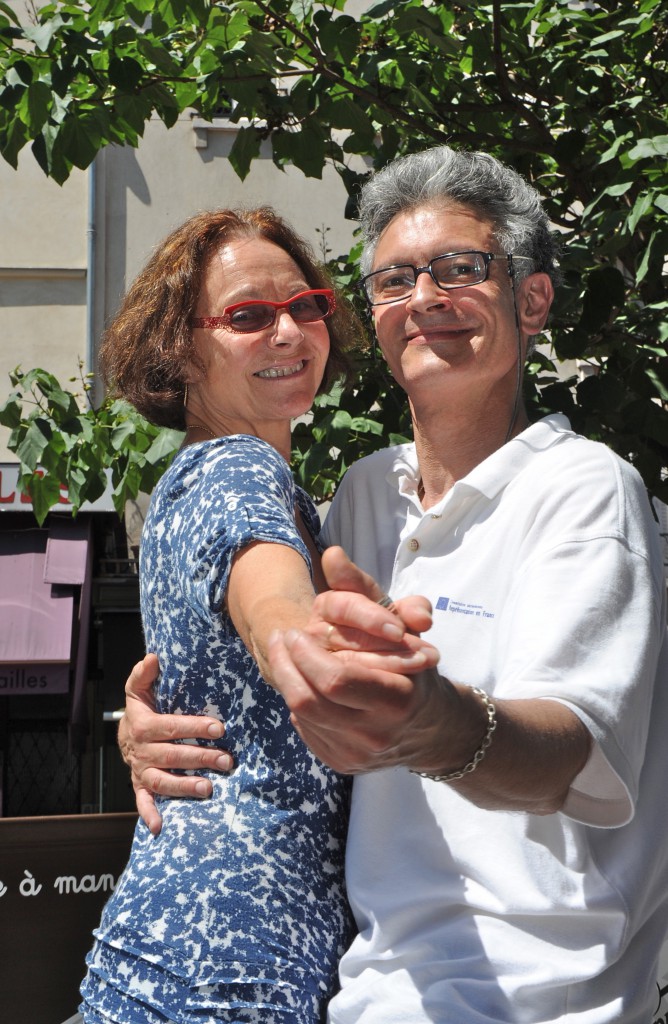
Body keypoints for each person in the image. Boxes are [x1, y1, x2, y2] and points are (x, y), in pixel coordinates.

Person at [117, 148, 668, 1024]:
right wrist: (151, 726)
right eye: (393, 279)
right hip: (361, 991)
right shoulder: (365, 493)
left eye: (461, 269)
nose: (425, 299)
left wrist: (433, 723)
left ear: (531, 301)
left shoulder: (588, 489)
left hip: (538, 1003)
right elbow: (265, 615)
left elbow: (569, 748)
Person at [79, 206, 438, 1024]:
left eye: (305, 304)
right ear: (181, 348)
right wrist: (301, 643)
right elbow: (269, 599)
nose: (289, 332)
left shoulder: (190, 481)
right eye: (247, 316)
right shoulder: (239, 471)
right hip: (224, 974)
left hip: (182, 954)